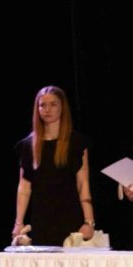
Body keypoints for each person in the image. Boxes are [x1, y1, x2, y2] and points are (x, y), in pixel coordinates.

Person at [13, 86, 94, 245]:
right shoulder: (28, 145)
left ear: (62, 107)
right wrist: (18, 222)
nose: (47, 109)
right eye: (42, 105)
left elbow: (83, 183)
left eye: (53, 104)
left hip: (71, 217)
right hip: (41, 219)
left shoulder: (76, 143)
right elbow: (24, 187)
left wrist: (89, 221)